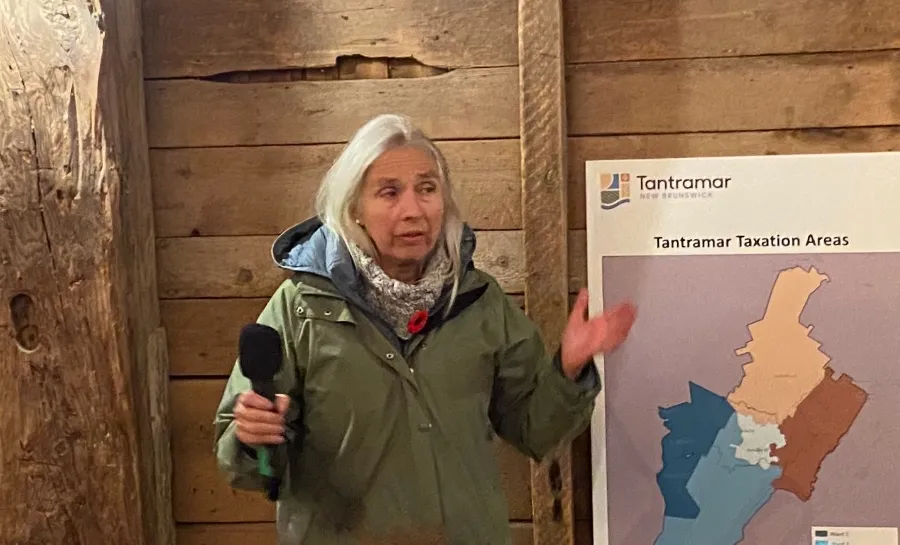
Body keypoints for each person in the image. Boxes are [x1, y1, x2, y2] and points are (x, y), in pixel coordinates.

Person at [213, 113, 636, 544]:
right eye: (389, 192)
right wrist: (252, 438)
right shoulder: (299, 308)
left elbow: (535, 430)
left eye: (427, 189)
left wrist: (568, 368)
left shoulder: (479, 301)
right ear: (354, 208)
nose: (413, 210)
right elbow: (249, 467)